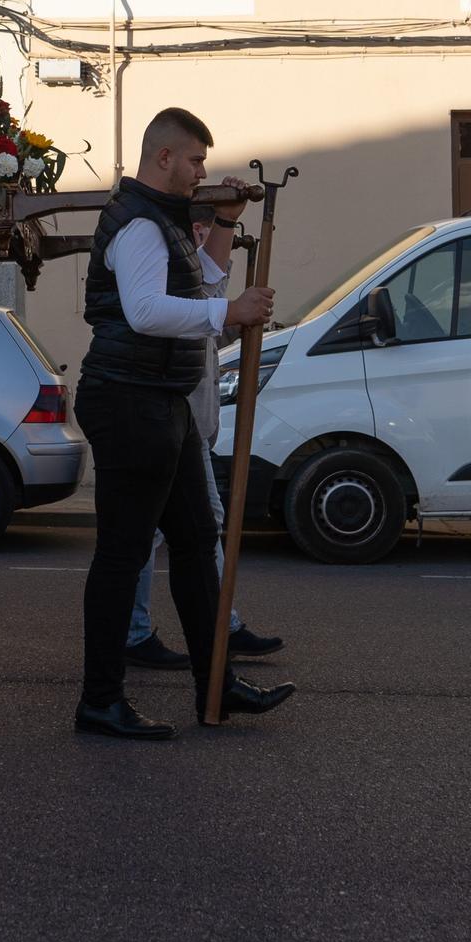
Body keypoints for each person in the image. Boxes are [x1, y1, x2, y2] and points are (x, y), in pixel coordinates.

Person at [73, 107, 295, 741]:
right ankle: (100, 700)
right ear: (163, 157)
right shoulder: (140, 224)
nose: (202, 171)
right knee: (122, 555)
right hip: (128, 400)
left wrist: (224, 223)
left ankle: (216, 682)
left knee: (196, 543)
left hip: (158, 397)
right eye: (194, 160)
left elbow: (202, 288)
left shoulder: (165, 222)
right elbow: (146, 312)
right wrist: (232, 311)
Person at [124, 196, 286, 670]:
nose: (207, 249)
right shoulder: (170, 273)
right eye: (205, 235)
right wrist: (233, 311)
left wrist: (241, 321)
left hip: (191, 428)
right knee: (178, 530)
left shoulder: (192, 275)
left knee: (172, 532)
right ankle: (209, 629)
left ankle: (208, 628)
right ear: (192, 234)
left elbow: (209, 327)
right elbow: (192, 317)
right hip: (171, 426)